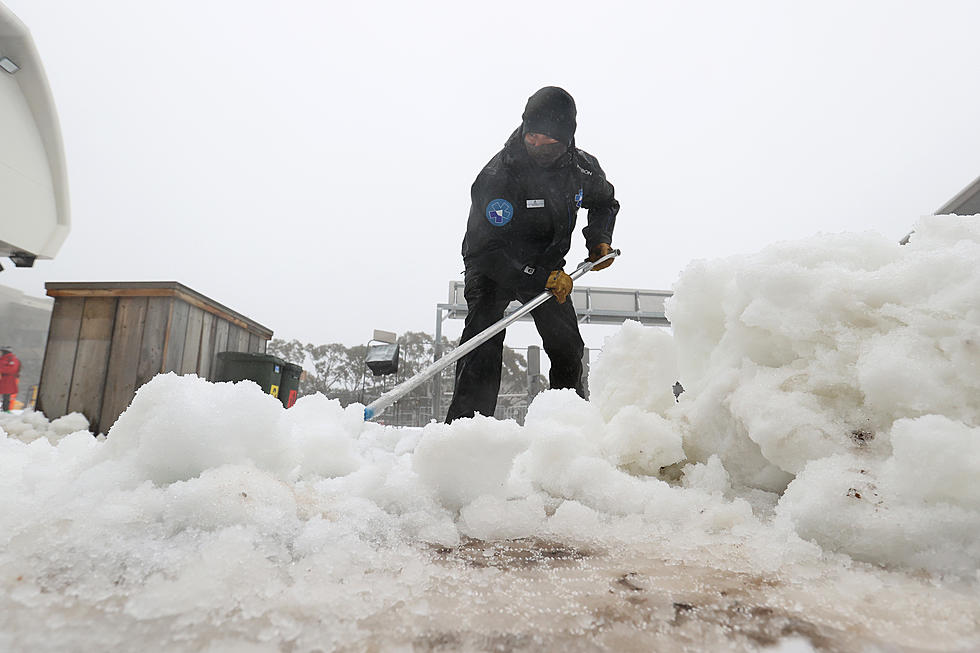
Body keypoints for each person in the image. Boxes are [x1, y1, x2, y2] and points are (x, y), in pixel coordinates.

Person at [445, 86, 620, 423]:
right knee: (483, 342)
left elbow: (604, 202)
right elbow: (484, 251)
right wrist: (539, 278)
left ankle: (565, 427)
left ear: (567, 139)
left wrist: (599, 239)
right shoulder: (499, 177)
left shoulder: (582, 169)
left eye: (550, 142)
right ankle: (467, 432)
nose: (539, 146)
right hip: (493, 264)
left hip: (547, 265)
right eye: (533, 137)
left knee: (567, 347)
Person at [0, 346, 21, 412]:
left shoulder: (11, 359)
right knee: (6, 395)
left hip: (8, 380)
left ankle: (5, 409)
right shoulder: (5, 359)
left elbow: (12, 369)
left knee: (7, 395)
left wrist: (1, 370)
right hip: (4, 380)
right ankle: (5, 409)